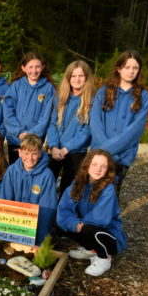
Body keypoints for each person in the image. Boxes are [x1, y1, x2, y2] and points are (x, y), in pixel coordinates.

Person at [56, 149, 126, 277]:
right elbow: (63, 210)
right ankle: (92, 250)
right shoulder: (77, 184)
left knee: (88, 229)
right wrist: (73, 223)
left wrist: (79, 224)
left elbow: (100, 218)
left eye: (103, 166)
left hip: (109, 235)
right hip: (86, 226)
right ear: (87, 165)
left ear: (108, 169)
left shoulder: (108, 188)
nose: (98, 169)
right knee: (63, 225)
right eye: (94, 164)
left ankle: (104, 259)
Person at [90, 50, 148, 194]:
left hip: (122, 156)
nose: (131, 71)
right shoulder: (103, 92)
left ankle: (110, 217)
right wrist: (103, 151)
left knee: (111, 194)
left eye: (135, 68)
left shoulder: (143, 96)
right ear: (119, 68)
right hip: (99, 152)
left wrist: (110, 152)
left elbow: (135, 130)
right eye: (127, 67)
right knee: (92, 192)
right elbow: (95, 122)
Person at [47, 60, 94, 198]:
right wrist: (54, 146)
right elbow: (53, 124)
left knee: (68, 188)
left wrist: (66, 148)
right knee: (47, 182)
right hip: (56, 149)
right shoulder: (60, 97)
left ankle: (62, 217)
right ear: (68, 78)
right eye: (73, 76)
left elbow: (87, 130)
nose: (77, 79)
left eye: (81, 76)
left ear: (87, 78)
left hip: (75, 151)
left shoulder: (92, 100)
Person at [0, 134, 57, 245]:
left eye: (34, 154)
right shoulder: (12, 171)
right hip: (15, 224)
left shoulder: (47, 176)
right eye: (26, 153)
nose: (30, 158)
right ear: (19, 152)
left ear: (40, 153)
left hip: (36, 227)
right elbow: (5, 201)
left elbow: (47, 212)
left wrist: (40, 242)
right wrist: (3, 232)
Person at [2, 52, 55, 164]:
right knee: (16, 172)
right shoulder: (16, 86)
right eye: (30, 67)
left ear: (43, 67)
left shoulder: (48, 88)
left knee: (33, 172)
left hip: (35, 142)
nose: (34, 70)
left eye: (37, 67)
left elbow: (46, 117)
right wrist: (20, 132)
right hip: (16, 139)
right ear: (23, 68)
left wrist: (31, 136)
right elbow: (8, 112)